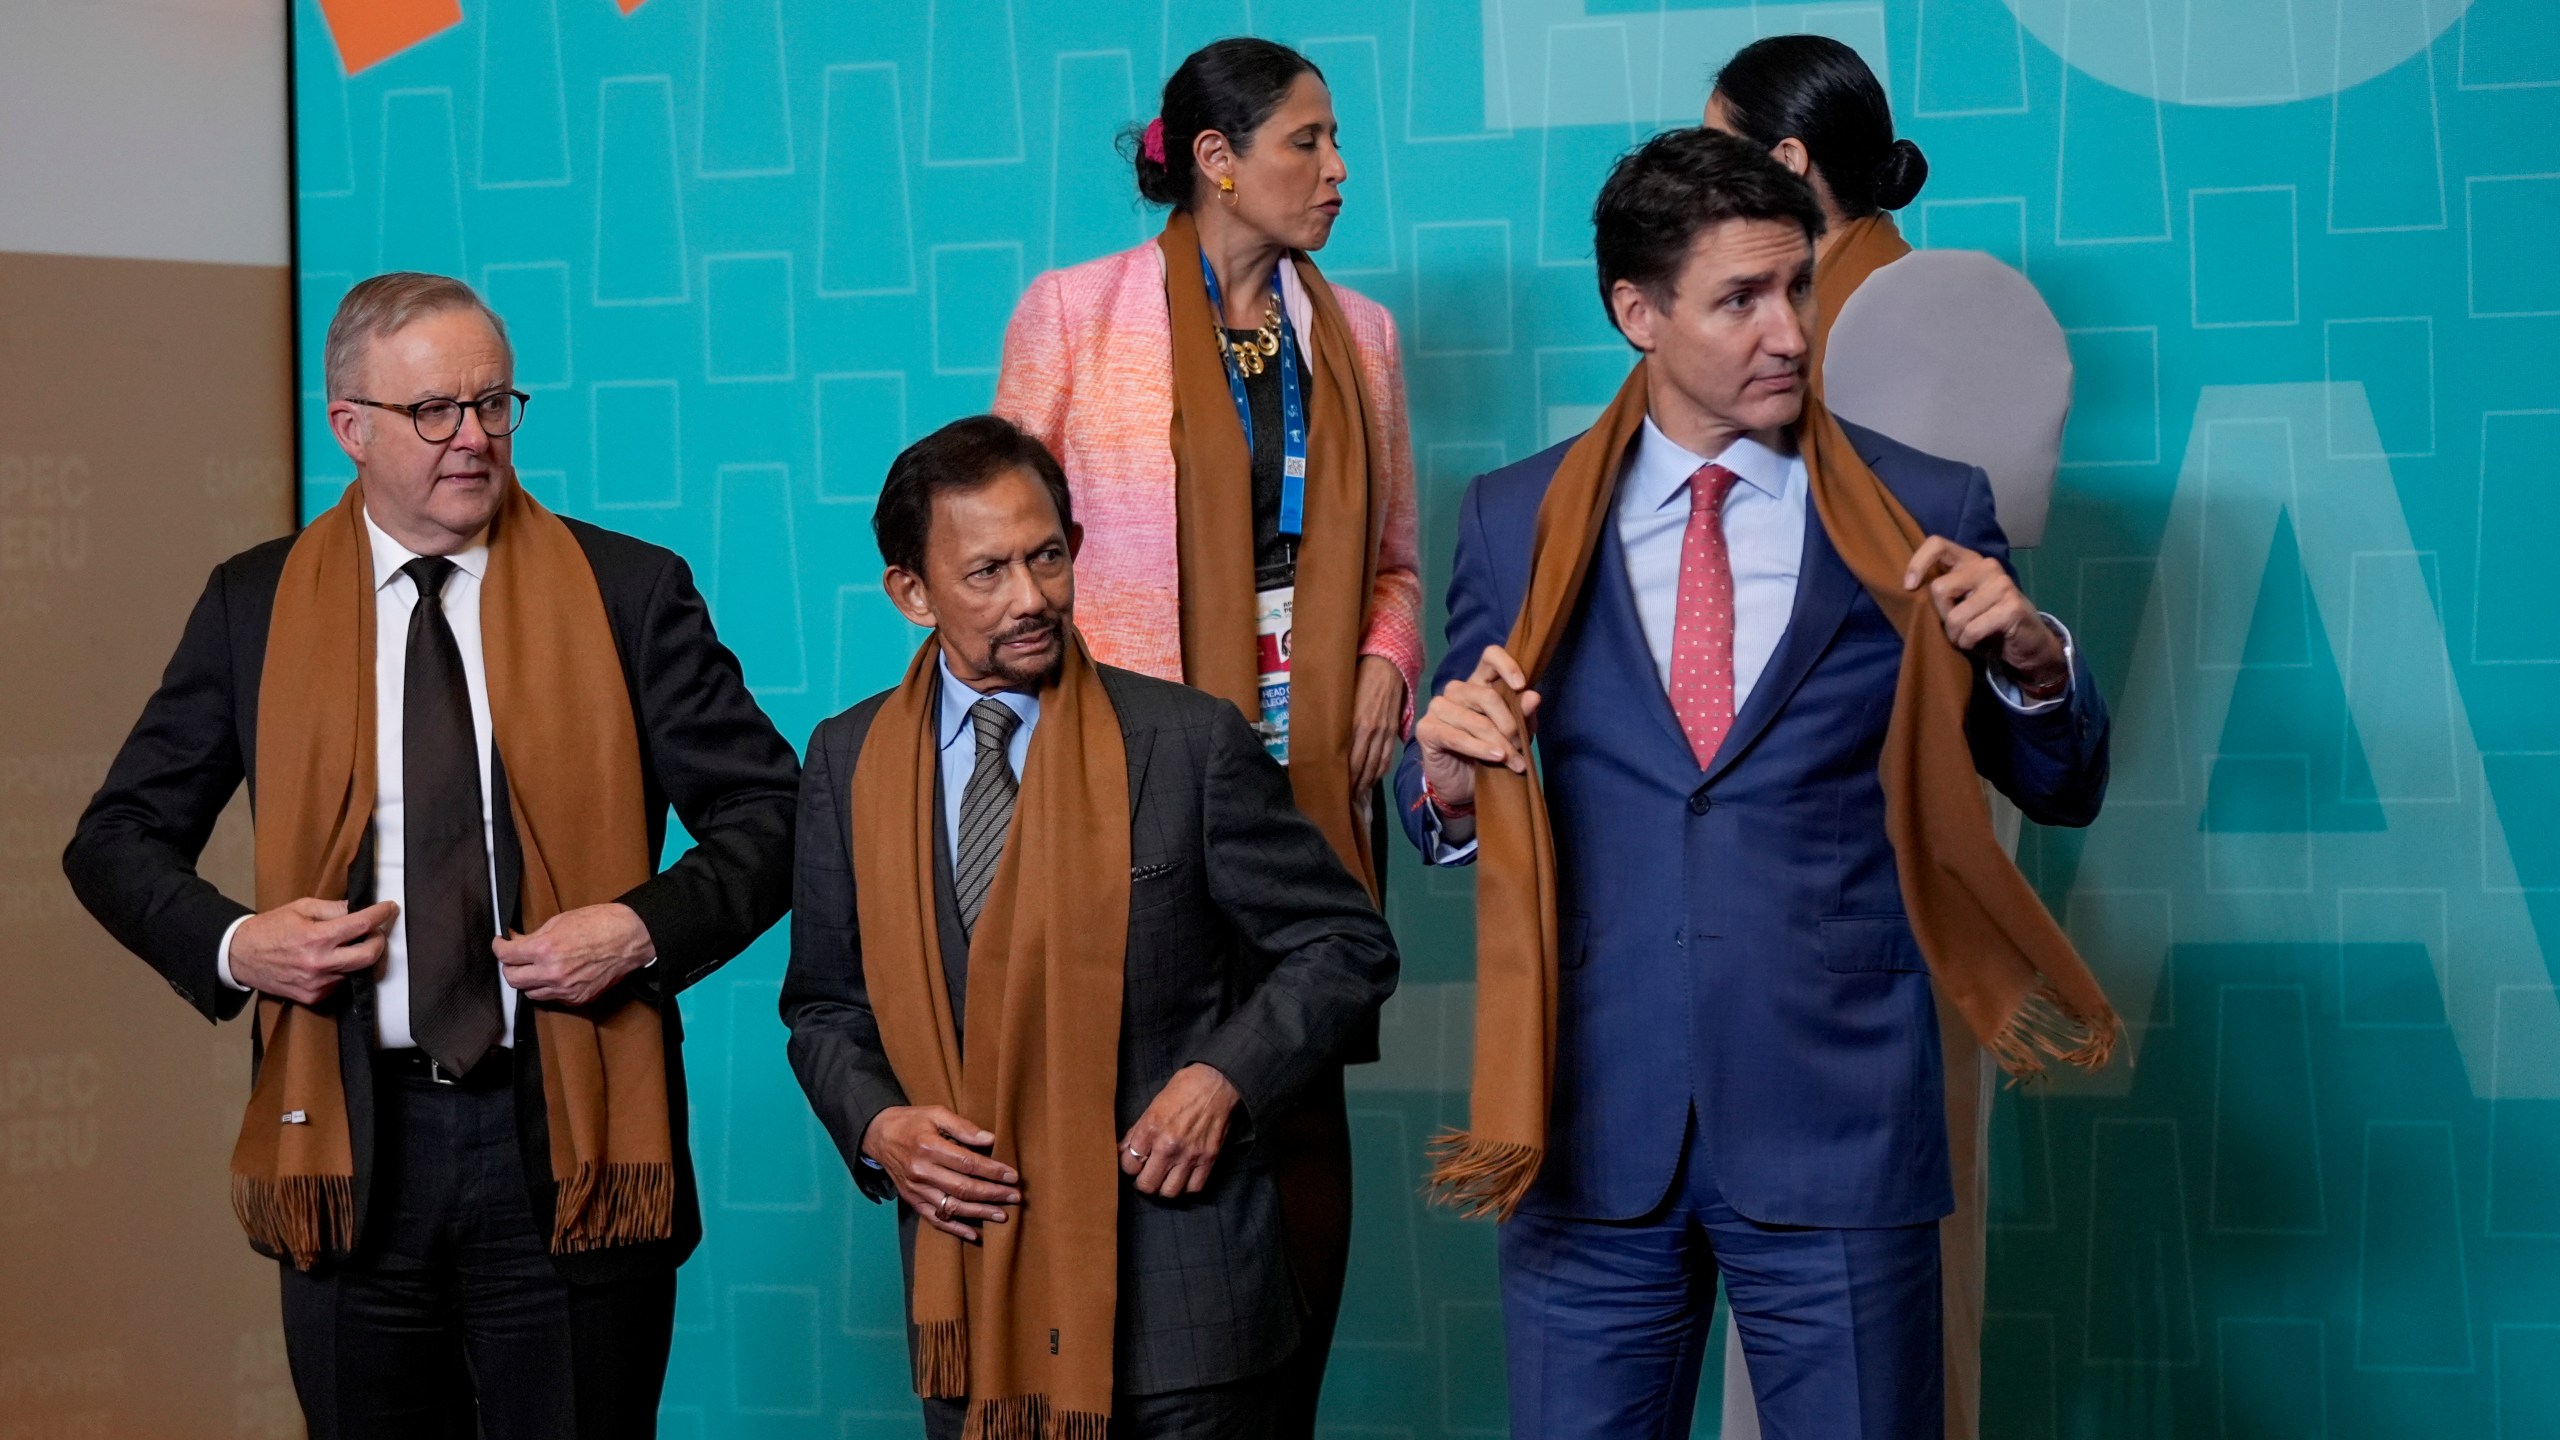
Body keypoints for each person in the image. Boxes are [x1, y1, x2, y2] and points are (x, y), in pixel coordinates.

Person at [1396, 131, 2120, 1438]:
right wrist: (1444, 780)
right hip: (1584, 1130)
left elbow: (2056, 786)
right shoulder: (1515, 519)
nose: (1789, 330)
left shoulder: (1923, 504)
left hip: (1838, 1130)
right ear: (1638, 313)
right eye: (1740, 298)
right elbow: (1453, 775)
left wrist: (2030, 658)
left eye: (1797, 286)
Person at [62, 273, 800, 1437]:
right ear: (348, 425)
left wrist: (643, 927)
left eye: (495, 405)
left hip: (566, 1144)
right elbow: (112, 841)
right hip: (354, 1147)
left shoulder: (627, 591)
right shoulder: (251, 606)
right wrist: (240, 944)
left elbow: (774, 816)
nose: (474, 438)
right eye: (436, 412)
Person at [782, 415, 1398, 1440]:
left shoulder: (1187, 742)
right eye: (986, 572)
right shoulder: (844, 763)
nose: (1031, 598)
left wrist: (1224, 1080)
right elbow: (825, 1007)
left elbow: (1345, 944)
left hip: (1191, 1314)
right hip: (974, 1307)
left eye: (1049, 556)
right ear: (911, 593)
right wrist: (880, 1129)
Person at [992, 36, 1422, 1427]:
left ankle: (1272, 1405)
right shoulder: (1073, 312)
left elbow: (1400, 564)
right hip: (1132, 782)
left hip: (1309, 786)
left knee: (1295, 1097)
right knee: (1138, 1095)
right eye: (1310, 141)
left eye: (1337, 140)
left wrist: (1383, 664)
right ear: (1220, 162)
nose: (1339, 170)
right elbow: (994, 557)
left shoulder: (1360, 336)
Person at [1707, 35, 2018, 1440]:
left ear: (1782, 165)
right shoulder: (1813, 320)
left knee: (1895, 1234)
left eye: (1711, 146)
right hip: (1798, 834)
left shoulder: (1902, 316)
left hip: (1894, 816)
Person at [1706, 33, 1927, 380]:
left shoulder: (1861, 328)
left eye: (1719, 157)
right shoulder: (1896, 283)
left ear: (1787, 161)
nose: (1705, 181)